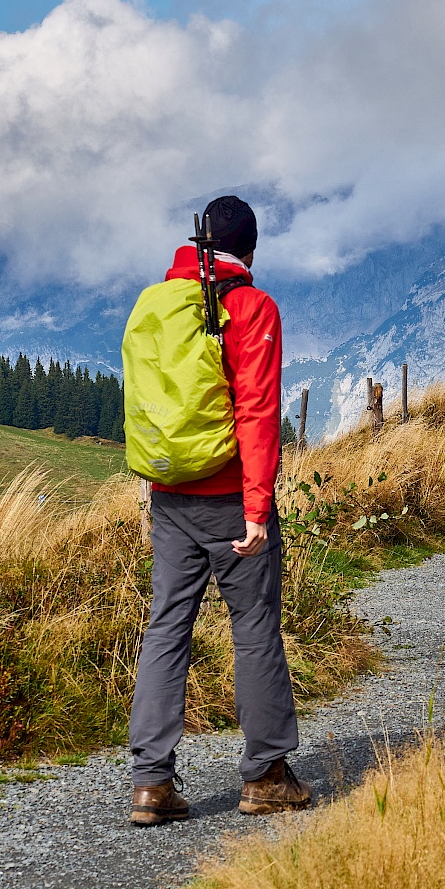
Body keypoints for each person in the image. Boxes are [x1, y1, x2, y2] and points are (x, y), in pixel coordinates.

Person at [128, 195, 311, 826]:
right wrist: (258, 508)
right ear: (251, 249)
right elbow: (257, 412)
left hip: (169, 496)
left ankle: (151, 783)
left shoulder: (159, 302)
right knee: (253, 627)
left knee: (166, 627)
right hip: (232, 499)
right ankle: (266, 775)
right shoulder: (251, 307)